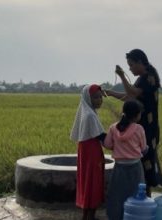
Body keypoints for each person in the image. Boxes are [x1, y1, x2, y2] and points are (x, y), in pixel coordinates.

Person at [105, 49, 162, 197]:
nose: (130, 69)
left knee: (146, 159)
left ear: (140, 62)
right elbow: (130, 97)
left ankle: (145, 196)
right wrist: (111, 93)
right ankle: (142, 195)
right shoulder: (144, 77)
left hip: (147, 126)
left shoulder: (148, 77)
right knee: (142, 159)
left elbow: (132, 94)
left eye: (131, 65)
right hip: (143, 124)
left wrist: (121, 76)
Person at [103, 100, 148, 220]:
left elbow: (107, 144)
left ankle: (116, 216)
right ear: (137, 115)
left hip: (119, 167)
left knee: (117, 195)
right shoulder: (139, 129)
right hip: (135, 167)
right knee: (136, 193)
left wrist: (117, 147)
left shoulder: (113, 128)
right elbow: (143, 149)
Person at [70, 84, 106, 220]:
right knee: (92, 181)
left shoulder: (87, 111)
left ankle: (87, 215)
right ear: (88, 98)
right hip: (91, 153)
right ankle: (90, 215)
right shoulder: (90, 115)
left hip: (86, 151)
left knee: (87, 181)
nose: (100, 100)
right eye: (96, 97)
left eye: (101, 97)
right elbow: (101, 136)